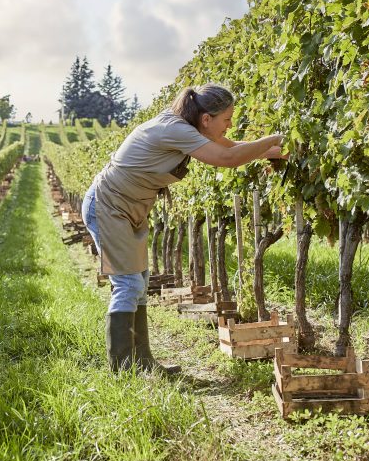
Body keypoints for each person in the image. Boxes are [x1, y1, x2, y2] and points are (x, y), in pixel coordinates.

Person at [82, 84, 286, 373]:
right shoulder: (175, 129)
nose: (229, 126)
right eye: (226, 119)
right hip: (108, 206)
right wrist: (274, 138)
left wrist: (274, 151)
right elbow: (227, 159)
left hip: (127, 208)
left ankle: (143, 364)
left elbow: (232, 148)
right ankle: (124, 368)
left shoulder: (186, 127)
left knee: (138, 284)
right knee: (129, 284)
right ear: (206, 119)